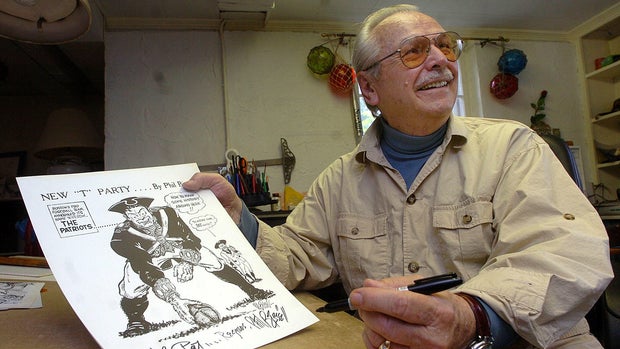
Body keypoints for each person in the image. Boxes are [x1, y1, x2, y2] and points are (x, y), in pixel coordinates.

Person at [183, 4, 613, 348]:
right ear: (369, 89)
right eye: (414, 51)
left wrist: (472, 316)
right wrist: (238, 215)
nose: (441, 61)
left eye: (445, 46)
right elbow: (297, 257)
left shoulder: (514, 146)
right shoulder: (339, 179)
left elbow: (566, 251)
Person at [108, 196, 272, 335]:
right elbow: (141, 263)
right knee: (130, 289)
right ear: (127, 217)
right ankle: (136, 322)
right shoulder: (121, 237)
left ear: (148, 209)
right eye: (133, 214)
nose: (141, 216)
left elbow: (189, 237)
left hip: (181, 249)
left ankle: (252, 290)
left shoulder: (166, 213)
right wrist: (172, 297)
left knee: (214, 261)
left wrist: (187, 260)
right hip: (149, 260)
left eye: (142, 211)